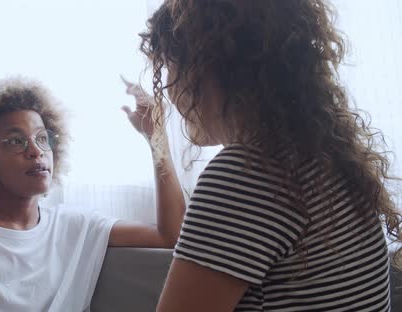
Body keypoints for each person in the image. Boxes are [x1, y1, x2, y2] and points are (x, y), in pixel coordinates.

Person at [136, 0, 402, 311]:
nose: (166, 88)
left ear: (206, 68)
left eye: (169, 66)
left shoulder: (245, 175)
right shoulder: (325, 154)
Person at [0, 77, 185, 311]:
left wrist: (156, 138)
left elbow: (170, 234)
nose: (36, 151)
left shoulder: (75, 227)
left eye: (42, 138)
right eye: (16, 141)